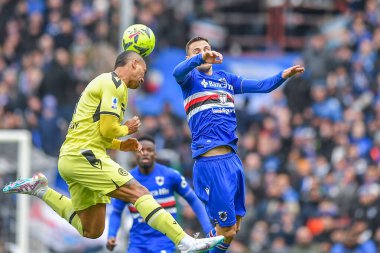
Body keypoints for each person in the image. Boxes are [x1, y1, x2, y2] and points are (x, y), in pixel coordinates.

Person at [3, 50, 223, 253]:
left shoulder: (110, 86)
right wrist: (128, 128)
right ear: (134, 64)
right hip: (84, 155)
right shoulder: (112, 83)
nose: (144, 78)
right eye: (143, 72)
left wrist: (121, 144)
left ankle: (41, 190)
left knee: (91, 229)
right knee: (140, 193)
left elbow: (101, 132)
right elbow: (108, 128)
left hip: (74, 157)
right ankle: (183, 241)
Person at [172, 36, 305, 252]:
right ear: (189, 57)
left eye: (207, 48)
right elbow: (177, 72)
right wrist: (199, 59)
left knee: (232, 229)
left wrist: (283, 76)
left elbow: (262, 86)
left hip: (233, 161)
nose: (204, 52)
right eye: (197, 50)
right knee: (227, 231)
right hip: (211, 162)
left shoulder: (226, 79)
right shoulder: (189, 80)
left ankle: (199, 247)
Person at [106, 135, 213, 253]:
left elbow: (193, 200)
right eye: (141, 150)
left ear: (155, 154)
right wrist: (111, 235)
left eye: (149, 150)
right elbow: (116, 212)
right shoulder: (126, 180)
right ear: (134, 155)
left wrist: (208, 229)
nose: (145, 153)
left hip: (164, 240)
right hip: (138, 242)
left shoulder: (170, 175)